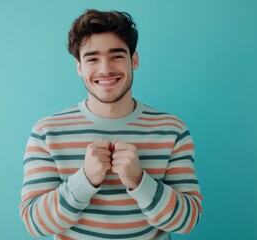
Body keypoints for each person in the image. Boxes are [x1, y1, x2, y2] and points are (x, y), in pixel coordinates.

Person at [19, 9, 202, 240]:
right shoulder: (46, 132)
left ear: (133, 60)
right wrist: (84, 180)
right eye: (92, 58)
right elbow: (36, 225)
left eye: (116, 55)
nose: (105, 69)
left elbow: (187, 221)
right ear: (79, 67)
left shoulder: (172, 130)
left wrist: (139, 181)